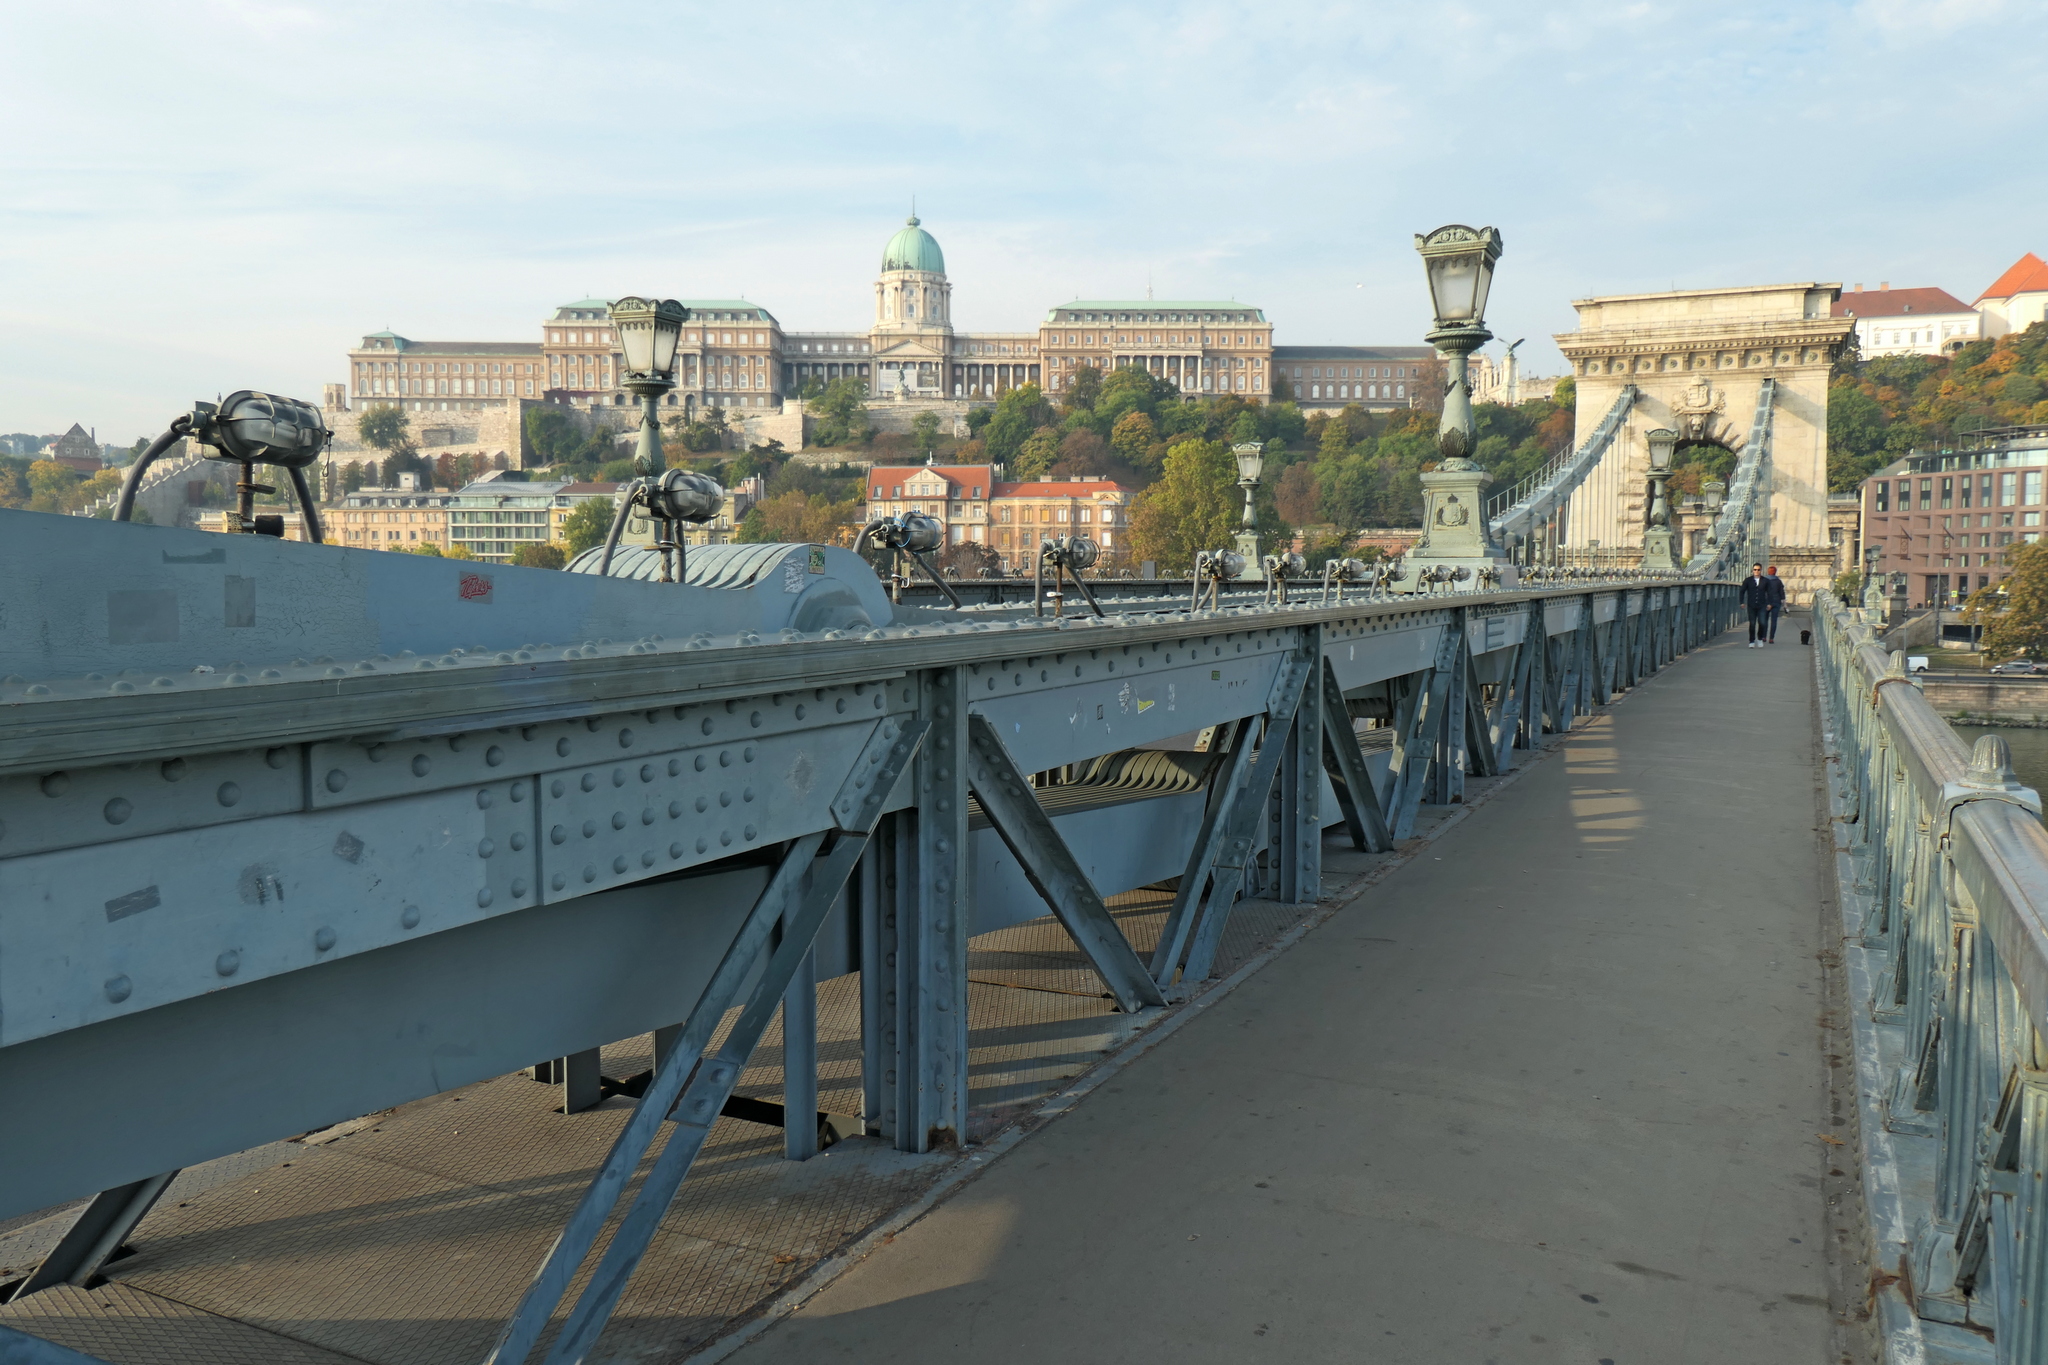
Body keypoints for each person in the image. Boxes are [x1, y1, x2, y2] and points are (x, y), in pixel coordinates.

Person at [1739, 563, 1772, 647]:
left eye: (1758, 570)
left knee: (1762, 623)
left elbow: (1770, 593)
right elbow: (1742, 591)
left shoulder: (1765, 581)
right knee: (1752, 624)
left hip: (1762, 605)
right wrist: (1741, 602)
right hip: (1751, 605)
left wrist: (1769, 603)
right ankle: (1751, 641)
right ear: (1752, 570)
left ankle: (1760, 638)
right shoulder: (1748, 580)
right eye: (1755, 569)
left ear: (1761, 570)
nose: (1756, 571)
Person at [1764, 564, 1788, 643]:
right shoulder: (1778, 581)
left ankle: (1764, 637)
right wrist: (1785, 605)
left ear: (1768, 572)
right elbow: (1782, 593)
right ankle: (1771, 638)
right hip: (1776, 602)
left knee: (1764, 620)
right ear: (1775, 572)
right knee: (1774, 620)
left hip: (1766, 602)